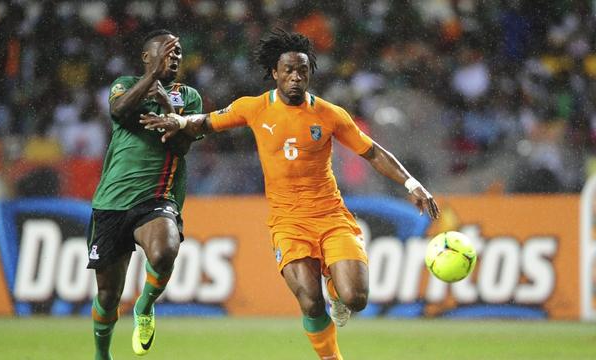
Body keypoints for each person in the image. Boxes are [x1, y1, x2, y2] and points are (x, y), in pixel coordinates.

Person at [141, 28, 439, 360]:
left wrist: (412, 184)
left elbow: (373, 152)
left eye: (302, 71)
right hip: (288, 223)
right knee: (309, 301)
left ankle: (336, 292)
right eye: (288, 71)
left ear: (310, 74)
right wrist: (180, 123)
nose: (295, 77)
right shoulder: (254, 108)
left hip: (331, 217)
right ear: (275, 73)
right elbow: (207, 121)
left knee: (356, 298)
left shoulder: (330, 114)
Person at [87, 29, 202, 360]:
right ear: (146, 57)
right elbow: (120, 112)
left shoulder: (188, 97)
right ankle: (101, 354)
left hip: (157, 198)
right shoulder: (124, 84)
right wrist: (152, 80)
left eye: (178, 51)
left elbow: (183, 147)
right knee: (108, 296)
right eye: (167, 50)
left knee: (166, 250)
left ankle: (145, 305)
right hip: (111, 202)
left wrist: (171, 114)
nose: (175, 56)